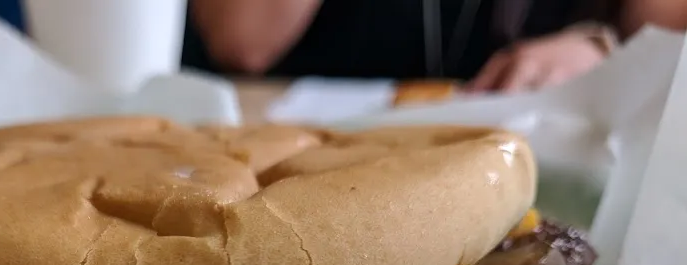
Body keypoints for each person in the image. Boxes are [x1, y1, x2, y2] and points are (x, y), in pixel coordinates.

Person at [183, 0, 687, 91]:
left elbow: (668, 39)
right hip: (303, 156)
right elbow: (243, 40)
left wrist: (605, 50)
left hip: (532, 159)